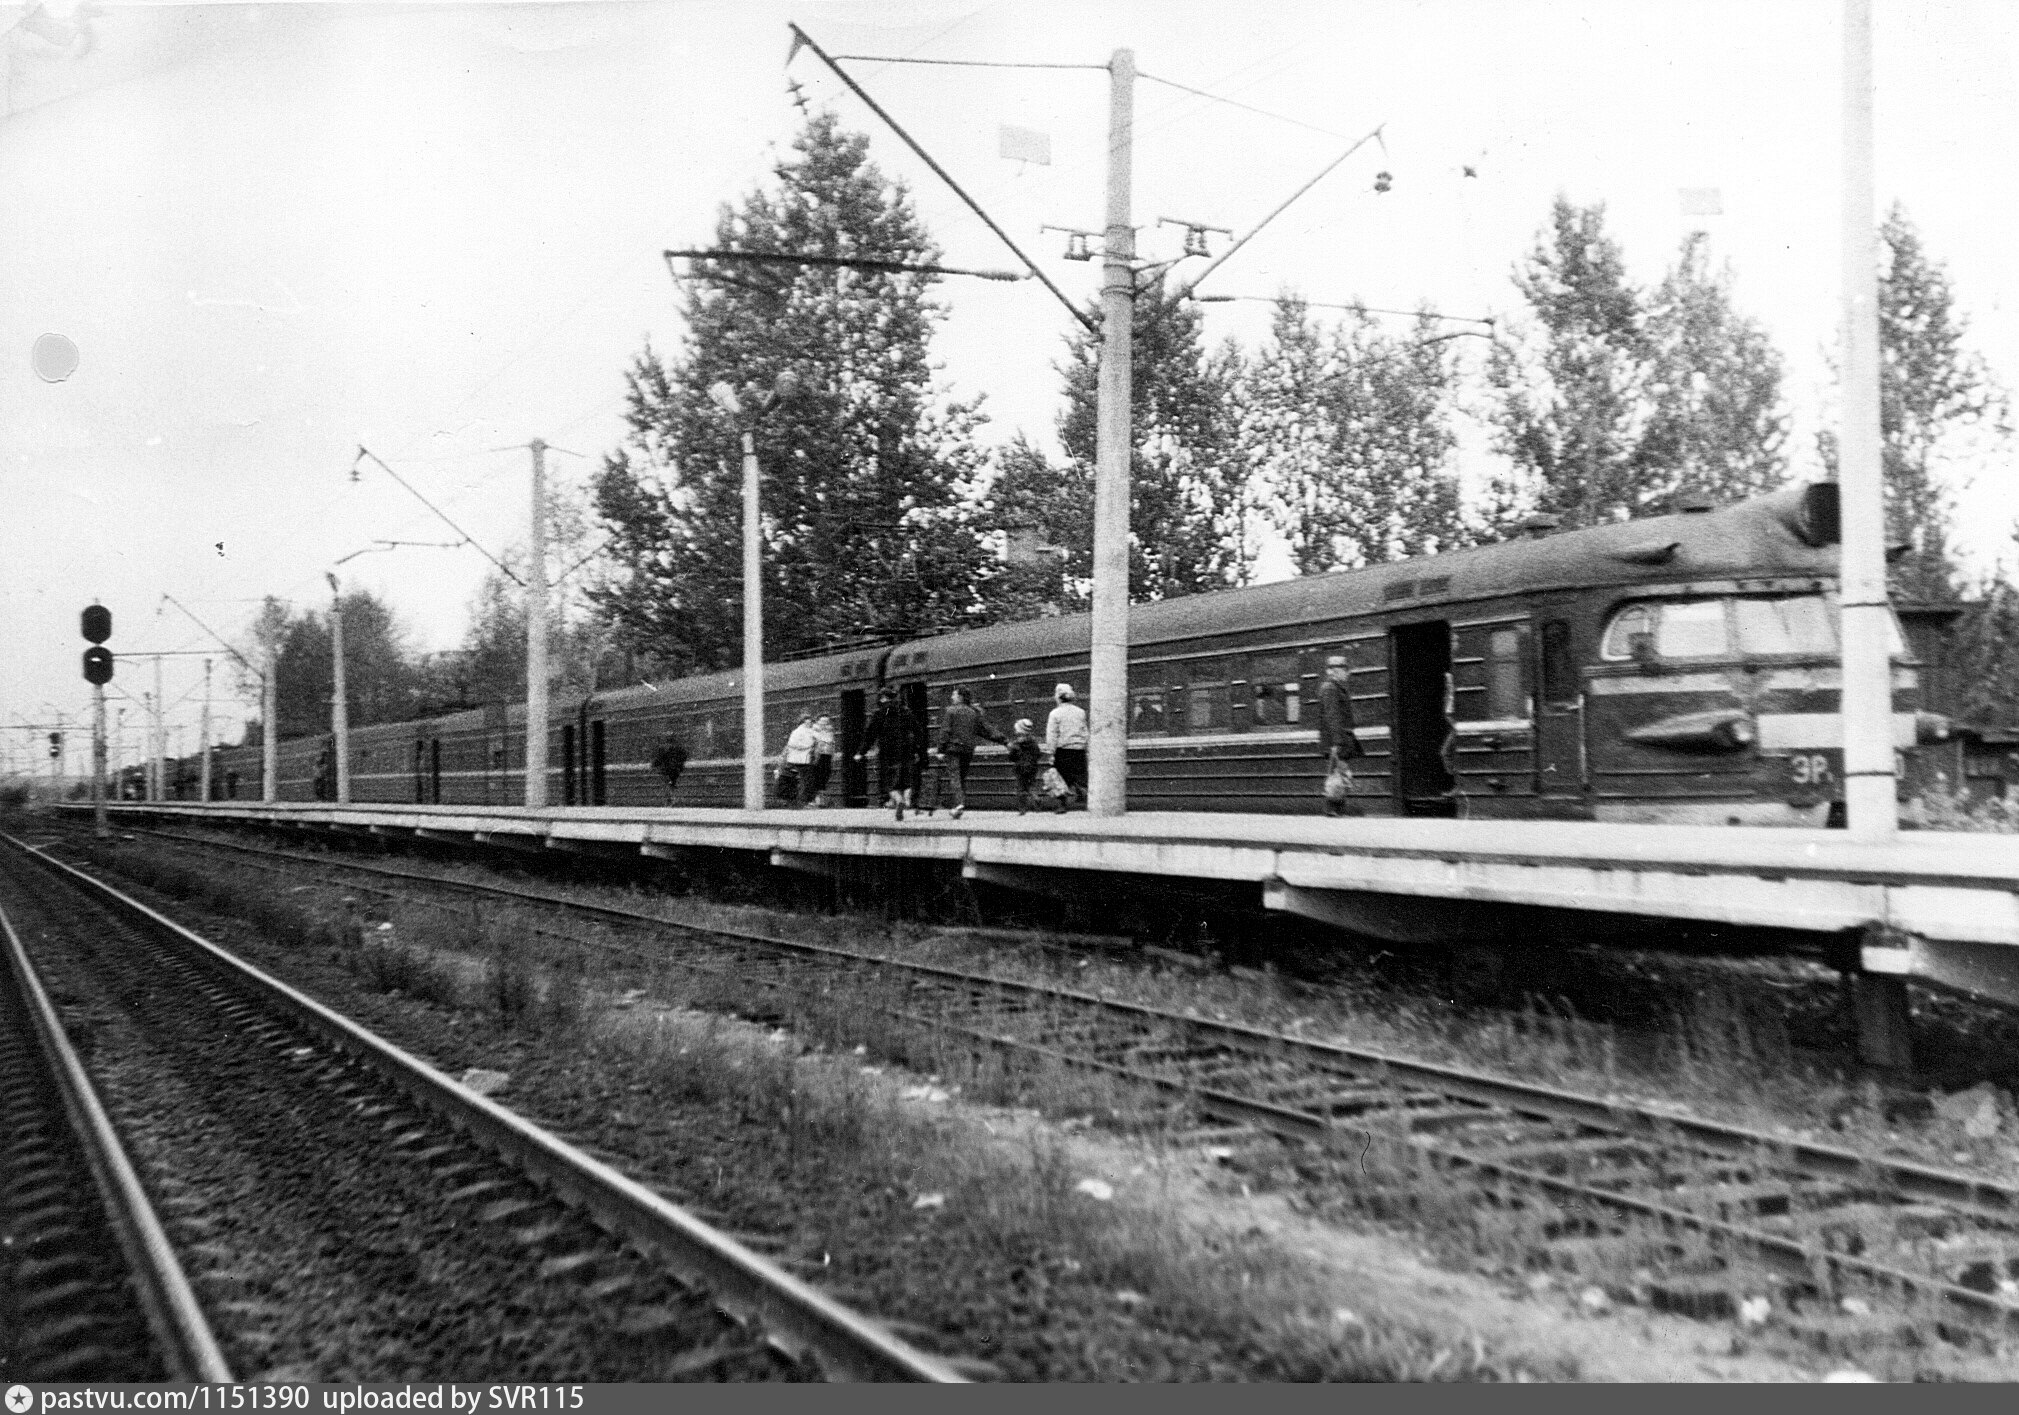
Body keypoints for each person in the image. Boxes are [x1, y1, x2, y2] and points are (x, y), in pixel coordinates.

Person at [936, 686, 1005, 820]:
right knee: (961, 778)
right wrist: (1004, 741)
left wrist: (940, 750)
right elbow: (987, 730)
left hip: (953, 749)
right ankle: (958, 807)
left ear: (960, 697)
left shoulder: (951, 711)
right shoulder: (974, 712)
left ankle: (959, 803)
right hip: (968, 749)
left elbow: (945, 731)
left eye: (954, 695)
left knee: (955, 777)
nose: (952, 697)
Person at [857, 685, 925, 820]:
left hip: (887, 752)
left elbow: (870, 735)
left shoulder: (879, 713)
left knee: (890, 782)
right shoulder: (905, 711)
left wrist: (861, 752)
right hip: (906, 750)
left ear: (883, 698)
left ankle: (899, 800)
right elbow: (918, 731)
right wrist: (919, 751)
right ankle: (907, 799)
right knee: (906, 780)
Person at [1317, 653, 1363, 817]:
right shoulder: (1330, 689)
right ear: (1335, 671)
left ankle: (1336, 809)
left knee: (1340, 773)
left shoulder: (1336, 688)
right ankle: (1332, 809)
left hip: (1340, 739)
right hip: (1336, 740)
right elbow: (1333, 716)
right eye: (1344, 669)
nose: (1347, 673)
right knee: (1337, 774)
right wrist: (1337, 742)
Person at [1043, 683, 1089, 808]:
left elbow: (1052, 735)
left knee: (1061, 778)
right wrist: (1086, 747)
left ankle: (1062, 805)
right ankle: (1083, 797)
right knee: (1080, 776)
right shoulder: (1080, 712)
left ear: (1058, 697)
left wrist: (1051, 753)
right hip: (1079, 750)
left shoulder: (1055, 713)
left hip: (1063, 751)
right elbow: (1085, 731)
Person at [1006, 718, 1049, 815]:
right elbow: (1038, 754)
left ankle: (1022, 809)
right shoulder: (1033, 742)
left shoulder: (1016, 743)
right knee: (1031, 785)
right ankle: (1036, 798)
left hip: (1020, 767)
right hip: (1032, 767)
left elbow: (1011, 757)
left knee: (1021, 787)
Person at [780, 713, 817, 807]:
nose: (809, 723)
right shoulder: (798, 731)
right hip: (799, 760)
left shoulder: (810, 731)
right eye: (807, 722)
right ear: (803, 722)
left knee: (806, 780)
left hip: (805, 759)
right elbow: (792, 744)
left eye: (810, 722)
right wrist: (807, 746)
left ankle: (804, 801)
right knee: (806, 780)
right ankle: (803, 801)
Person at [806, 715, 837, 807]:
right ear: (818, 722)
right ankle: (813, 800)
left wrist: (832, 756)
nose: (824, 724)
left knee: (824, 777)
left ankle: (820, 801)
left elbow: (832, 745)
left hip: (827, 757)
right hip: (817, 757)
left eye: (826, 722)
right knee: (816, 778)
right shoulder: (813, 731)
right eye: (822, 722)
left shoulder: (830, 732)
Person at [650, 731, 689, 803]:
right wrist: (680, 763)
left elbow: (659, 758)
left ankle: (669, 798)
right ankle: (673, 797)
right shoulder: (679, 747)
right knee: (673, 782)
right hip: (676, 769)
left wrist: (653, 765)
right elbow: (684, 756)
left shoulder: (663, 747)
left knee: (667, 782)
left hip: (665, 769)